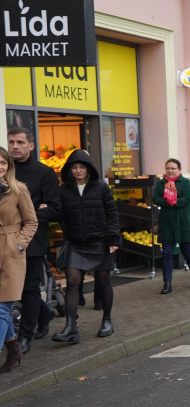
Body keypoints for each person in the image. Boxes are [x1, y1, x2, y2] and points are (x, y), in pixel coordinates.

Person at [52, 149, 117, 341]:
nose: (78, 171)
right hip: (75, 242)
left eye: (82, 167)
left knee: (103, 281)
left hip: (99, 241)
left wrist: (114, 239)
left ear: (89, 169)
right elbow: (59, 213)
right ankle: (71, 327)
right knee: (72, 282)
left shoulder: (101, 187)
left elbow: (112, 213)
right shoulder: (63, 190)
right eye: (74, 167)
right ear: (69, 169)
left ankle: (107, 320)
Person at [7, 127, 61, 353]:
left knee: (29, 288)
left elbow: (55, 209)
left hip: (32, 240)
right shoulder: (4, 170)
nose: (15, 146)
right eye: (11, 142)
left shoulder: (44, 173)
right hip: (5, 240)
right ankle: (45, 312)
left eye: (20, 142)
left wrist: (26, 216)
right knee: (13, 288)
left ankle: (24, 336)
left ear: (31, 145)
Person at [0, 146, 38, 371]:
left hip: (11, 252)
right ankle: (14, 350)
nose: (0, 167)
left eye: (4, 163)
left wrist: (19, 244)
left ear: (9, 167)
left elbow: (32, 221)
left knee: (2, 307)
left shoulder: (18, 189)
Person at [153, 158, 190, 294]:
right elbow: (155, 198)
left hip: (182, 222)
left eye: (173, 168)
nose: (170, 171)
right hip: (166, 223)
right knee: (167, 253)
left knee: (187, 251)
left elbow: (187, 199)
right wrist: (168, 202)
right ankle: (167, 283)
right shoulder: (161, 183)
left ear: (179, 169)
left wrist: (173, 201)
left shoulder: (185, 183)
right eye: (168, 168)